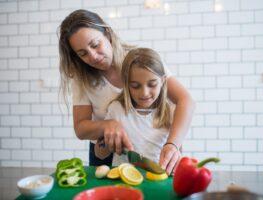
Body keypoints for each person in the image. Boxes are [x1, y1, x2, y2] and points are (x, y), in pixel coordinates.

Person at [58, 9, 195, 174]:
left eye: (95, 45)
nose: (93, 56)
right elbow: (81, 129)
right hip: (107, 155)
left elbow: (185, 100)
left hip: (156, 152)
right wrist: (108, 125)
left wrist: (172, 144)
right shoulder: (82, 78)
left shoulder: (140, 60)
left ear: (107, 34)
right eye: (83, 54)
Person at [95, 48, 176, 172]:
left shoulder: (171, 112)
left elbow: (177, 152)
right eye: (135, 86)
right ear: (126, 84)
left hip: (158, 179)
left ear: (163, 81)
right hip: (123, 180)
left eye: (152, 84)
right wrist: (107, 143)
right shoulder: (116, 109)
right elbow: (100, 154)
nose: (144, 93)